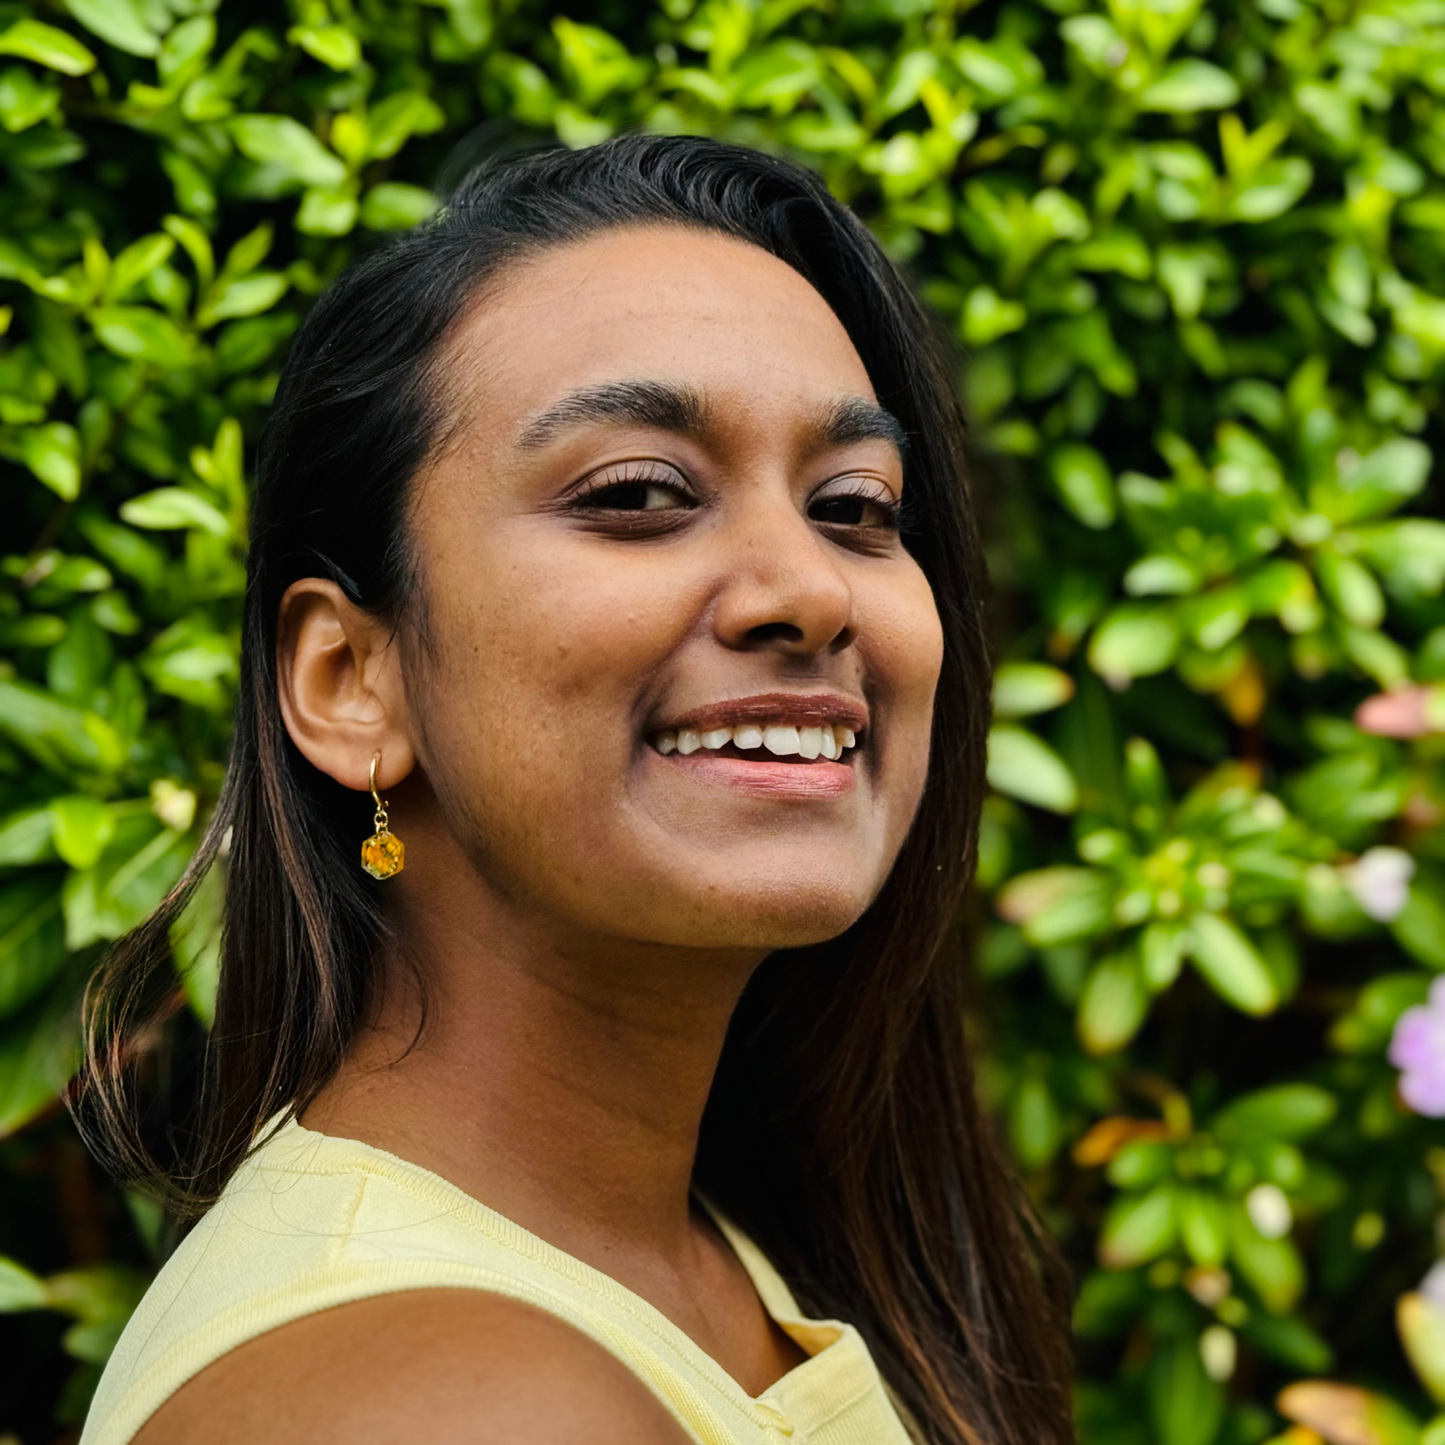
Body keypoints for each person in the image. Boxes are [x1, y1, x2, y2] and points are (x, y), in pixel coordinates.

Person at [74, 134, 1075, 1445]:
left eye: (855, 505)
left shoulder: (712, 1251)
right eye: (643, 492)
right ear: (349, 681)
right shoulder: (439, 1404)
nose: (813, 589)